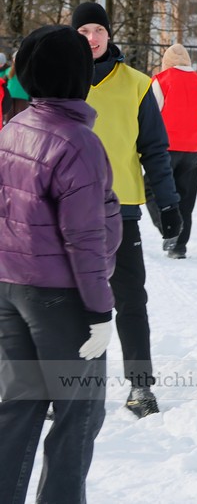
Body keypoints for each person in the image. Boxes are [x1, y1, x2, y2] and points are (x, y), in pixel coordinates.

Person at [0, 25, 121, 503]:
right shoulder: (77, 142)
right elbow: (85, 239)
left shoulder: (14, 127)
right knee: (79, 413)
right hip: (62, 299)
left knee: (20, 405)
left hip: (10, 290)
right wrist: (100, 310)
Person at [72, 1, 182, 418]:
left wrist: (167, 203)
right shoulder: (59, 79)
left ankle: (140, 386)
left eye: (98, 30)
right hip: (67, 211)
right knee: (67, 301)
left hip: (121, 211)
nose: (92, 38)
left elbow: (154, 149)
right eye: (84, 31)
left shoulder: (137, 84)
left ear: (109, 34)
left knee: (131, 300)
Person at [145, 44, 197, 259]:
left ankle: (169, 230)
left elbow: (151, 112)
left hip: (164, 149)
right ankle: (179, 247)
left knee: (150, 189)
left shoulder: (162, 80)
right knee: (186, 199)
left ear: (166, 62)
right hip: (192, 151)